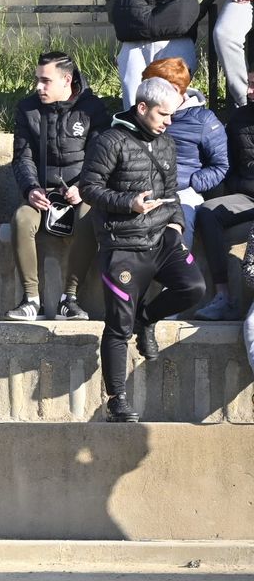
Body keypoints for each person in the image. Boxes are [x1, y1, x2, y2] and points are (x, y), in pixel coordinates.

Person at [79, 77, 206, 422]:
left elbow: (172, 190)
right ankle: (117, 400)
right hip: (122, 244)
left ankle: (146, 318)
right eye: (163, 115)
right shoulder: (110, 141)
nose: (169, 122)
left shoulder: (166, 142)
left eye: (172, 116)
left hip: (162, 238)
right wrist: (128, 204)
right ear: (142, 108)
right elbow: (89, 189)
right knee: (118, 327)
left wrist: (176, 223)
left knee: (194, 287)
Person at [6, 52, 109, 320]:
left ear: (67, 79)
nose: (38, 87)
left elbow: (101, 157)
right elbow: (22, 157)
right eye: (37, 80)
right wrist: (31, 189)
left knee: (90, 216)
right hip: (43, 193)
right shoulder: (27, 109)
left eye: (45, 81)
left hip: (81, 191)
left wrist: (83, 186)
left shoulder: (93, 109)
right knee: (21, 218)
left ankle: (69, 299)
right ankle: (31, 300)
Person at [138, 57, 227, 254]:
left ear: (176, 90)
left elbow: (220, 165)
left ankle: (178, 278)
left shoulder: (203, 121)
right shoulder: (142, 113)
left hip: (184, 191)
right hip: (142, 188)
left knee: (178, 226)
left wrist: (193, 182)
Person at [195, 91, 254, 319]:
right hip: (246, 195)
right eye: (249, 82)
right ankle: (223, 297)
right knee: (209, 212)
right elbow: (226, 163)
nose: (249, 90)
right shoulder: (239, 118)